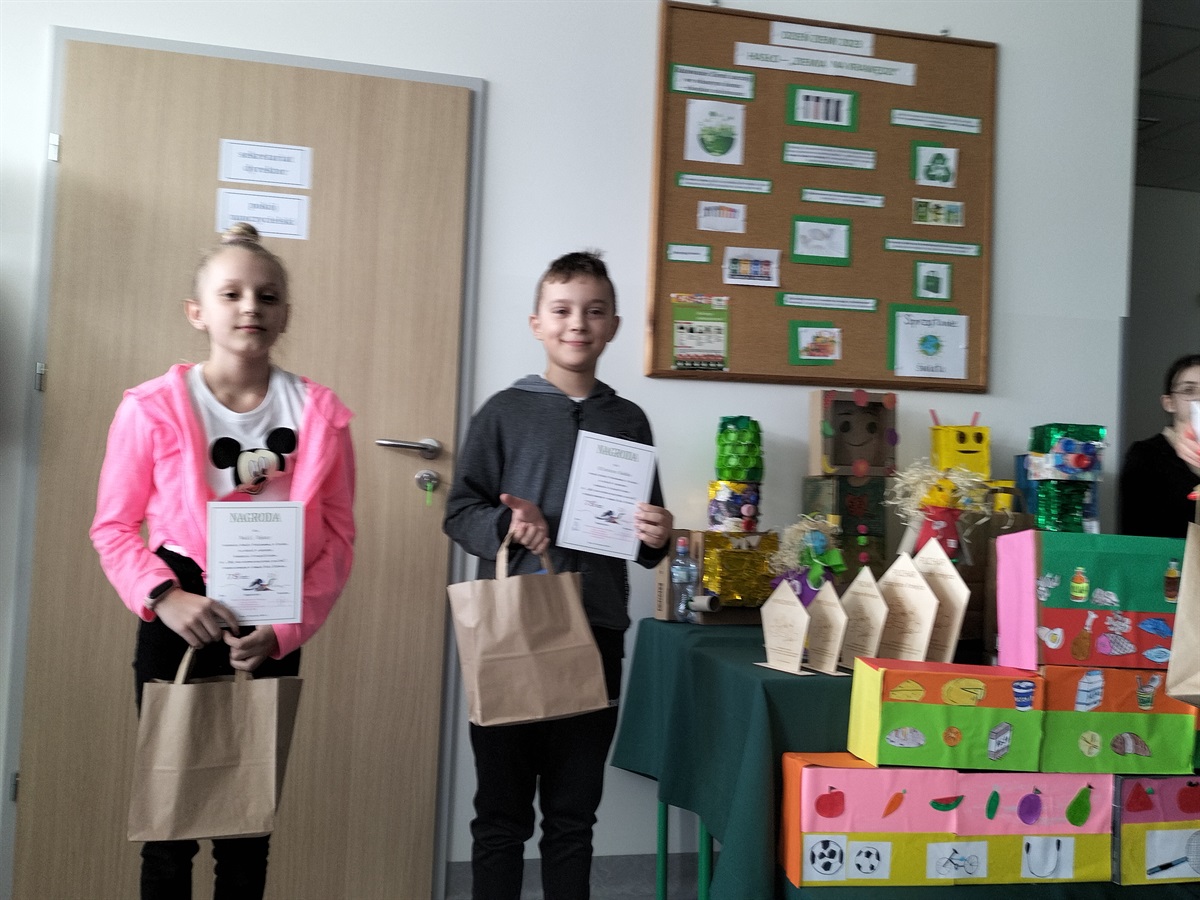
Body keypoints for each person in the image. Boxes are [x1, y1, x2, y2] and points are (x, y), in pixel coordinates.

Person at [90, 222, 356, 900]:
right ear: (197, 312)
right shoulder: (151, 408)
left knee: (247, 826)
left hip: (271, 622)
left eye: (267, 296)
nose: (250, 308)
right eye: (231, 294)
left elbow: (337, 539)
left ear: (285, 314)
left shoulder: (319, 413)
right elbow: (113, 528)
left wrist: (287, 630)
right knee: (171, 826)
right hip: (179, 615)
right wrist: (164, 596)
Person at [443, 250, 674, 900]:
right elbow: (459, 511)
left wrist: (660, 535)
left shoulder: (629, 420)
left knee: (573, 818)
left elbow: (646, 540)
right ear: (537, 323)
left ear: (614, 326)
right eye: (563, 310)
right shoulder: (503, 412)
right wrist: (507, 525)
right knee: (501, 816)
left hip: (596, 632)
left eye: (594, 311)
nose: (578, 323)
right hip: (512, 633)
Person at [1118, 353, 1200, 537]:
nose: (1199, 398)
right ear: (1169, 403)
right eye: (1189, 390)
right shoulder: (1146, 456)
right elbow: (1136, 529)